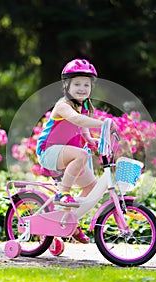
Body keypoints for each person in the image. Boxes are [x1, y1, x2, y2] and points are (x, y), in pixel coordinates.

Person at [36, 58, 116, 243]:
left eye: (86, 85)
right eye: (77, 84)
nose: (82, 88)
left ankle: (68, 222)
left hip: (67, 153)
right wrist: (104, 124)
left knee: (91, 186)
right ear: (67, 85)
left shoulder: (85, 106)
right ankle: (63, 193)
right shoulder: (63, 105)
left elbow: (83, 127)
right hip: (49, 151)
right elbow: (77, 120)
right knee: (81, 154)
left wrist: (90, 139)